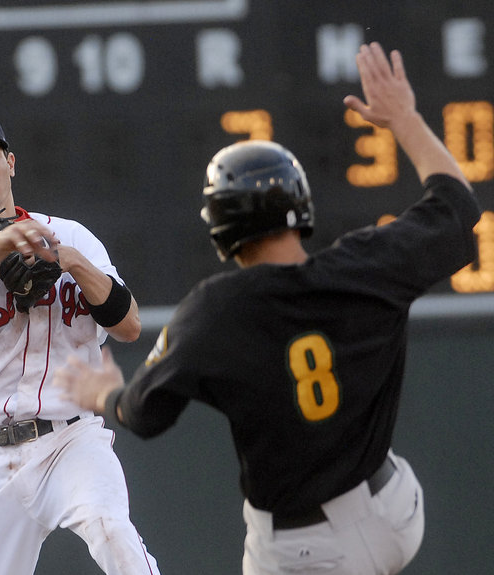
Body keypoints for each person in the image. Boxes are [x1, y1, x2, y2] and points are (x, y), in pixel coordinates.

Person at [54, 42, 481, 574]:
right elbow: (458, 209)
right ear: (299, 204)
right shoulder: (367, 265)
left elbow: (144, 414)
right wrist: (405, 118)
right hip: (395, 512)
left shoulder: (214, 312)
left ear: (220, 227)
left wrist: (104, 394)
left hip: (306, 552)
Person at [0, 111, 159, 574]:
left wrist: (72, 262)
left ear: (11, 163)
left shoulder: (70, 233)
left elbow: (129, 326)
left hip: (71, 440)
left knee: (113, 530)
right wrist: (0, 246)